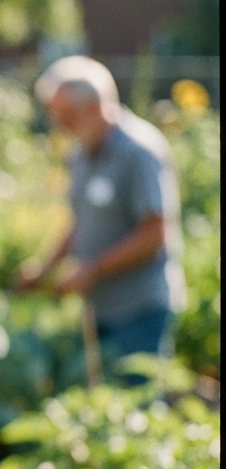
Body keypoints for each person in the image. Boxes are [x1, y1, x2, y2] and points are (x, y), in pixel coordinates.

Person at [17, 55, 185, 364]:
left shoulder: (140, 151)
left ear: (94, 108)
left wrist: (93, 269)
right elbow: (82, 220)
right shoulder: (81, 154)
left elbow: (155, 234)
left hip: (140, 307)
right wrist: (46, 268)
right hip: (100, 306)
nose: (59, 127)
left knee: (139, 403)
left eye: (65, 117)